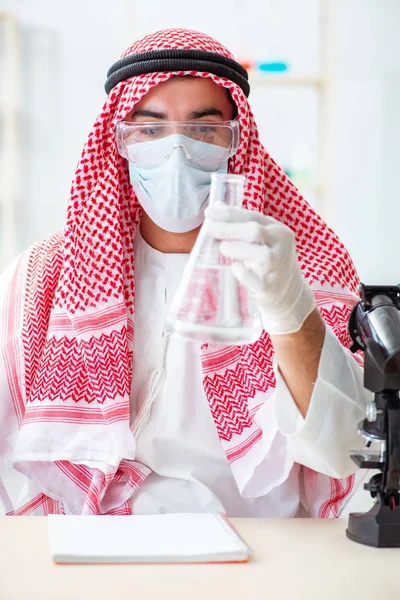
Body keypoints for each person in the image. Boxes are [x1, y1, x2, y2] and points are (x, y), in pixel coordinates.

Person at [0, 28, 371, 517]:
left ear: (236, 141)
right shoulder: (46, 276)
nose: (176, 151)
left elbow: (343, 448)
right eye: (150, 129)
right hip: (94, 554)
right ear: (120, 143)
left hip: (257, 562)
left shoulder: (296, 267)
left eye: (203, 129)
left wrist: (288, 304)